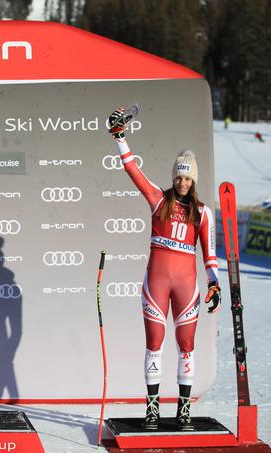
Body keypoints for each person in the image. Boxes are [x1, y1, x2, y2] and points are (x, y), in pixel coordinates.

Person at [108, 109, 221, 431]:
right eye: (178, 177)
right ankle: (153, 410)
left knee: (187, 346)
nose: (182, 182)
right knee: (154, 343)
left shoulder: (202, 213)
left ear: (193, 180)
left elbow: (210, 256)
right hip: (156, 285)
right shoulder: (158, 200)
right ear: (172, 177)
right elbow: (133, 169)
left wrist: (215, 283)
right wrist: (119, 137)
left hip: (187, 287)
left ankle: (183, 410)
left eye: (187, 178)